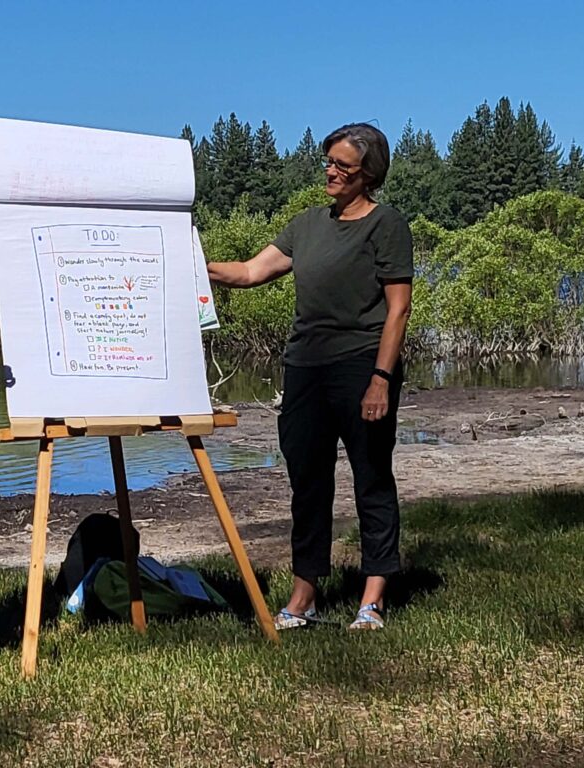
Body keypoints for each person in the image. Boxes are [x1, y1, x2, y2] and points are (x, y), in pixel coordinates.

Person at [207, 123, 413, 631]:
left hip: (362, 364)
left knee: (372, 479)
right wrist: (191, 264)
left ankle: (373, 598)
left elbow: (399, 309)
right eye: (328, 161)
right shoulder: (306, 225)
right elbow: (252, 272)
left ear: (369, 174)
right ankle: (305, 596)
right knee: (308, 483)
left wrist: (380, 379)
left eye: (343, 164)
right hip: (305, 368)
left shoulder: (386, 225)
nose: (331, 171)